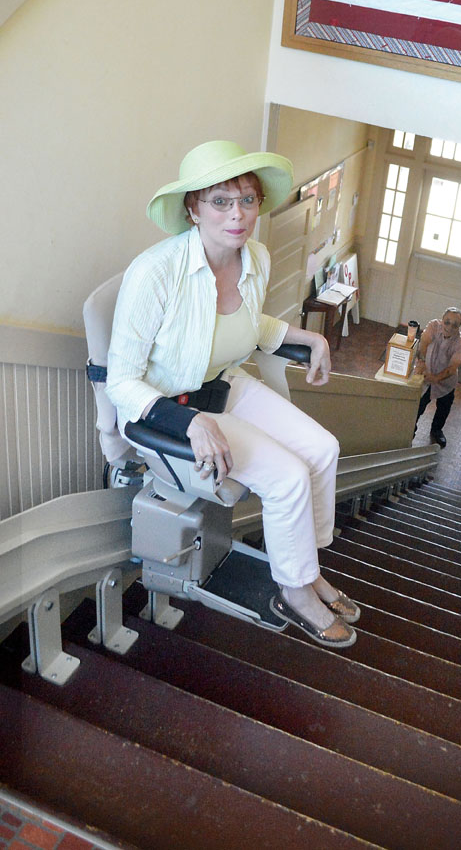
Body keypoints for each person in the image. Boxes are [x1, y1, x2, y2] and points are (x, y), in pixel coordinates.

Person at [106, 139, 360, 648]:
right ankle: (294, 590)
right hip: (171, 410)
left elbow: (249, 324)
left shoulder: (255, 258)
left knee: (323, 450)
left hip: (222, 386)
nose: (237, 214)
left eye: (247, 199)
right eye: (220, 201)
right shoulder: (155, 273)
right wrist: (190, 423)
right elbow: (121, 382)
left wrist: (310, 338)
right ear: (193, 209)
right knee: (288, 478)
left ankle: (306, 569)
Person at [414, 307, 461, 448]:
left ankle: (437, 430)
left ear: (459, 326)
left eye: (455, 325)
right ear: (442, 319)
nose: (449, 327)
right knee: (417, 406)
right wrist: (422, 363)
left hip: (445, 381)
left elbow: (452, 368)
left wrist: (436, 378)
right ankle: (410, 429)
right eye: (447, 322)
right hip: (426, 375)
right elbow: (423, 343)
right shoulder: (433, 326)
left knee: (443, 408)